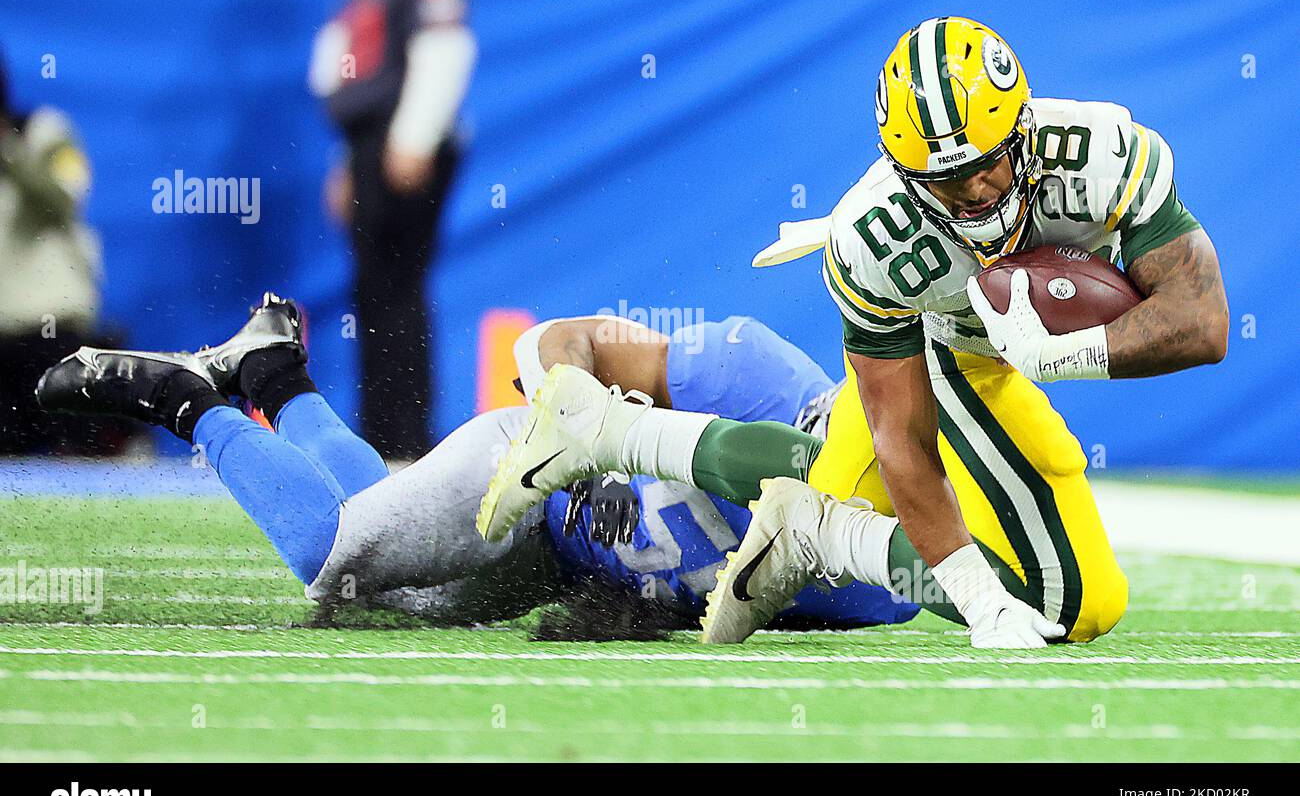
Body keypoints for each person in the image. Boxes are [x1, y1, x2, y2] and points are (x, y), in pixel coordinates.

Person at [479, 16, 1229, 650]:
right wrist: (976, 599)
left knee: (821, 480)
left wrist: (1063, 355)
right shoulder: (878, 240)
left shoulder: (1100, 155)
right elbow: (899, 433)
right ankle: (817, 532)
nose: (971, 193)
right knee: (1077, 604)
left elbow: (1204, 322)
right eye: (943, 180)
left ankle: (612, 433)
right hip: (951, 344)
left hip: (1017, 343)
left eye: (984, 167)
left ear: (1023, 131)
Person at [35, 296, 916, 635]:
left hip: (552, 569)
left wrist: (631, 612)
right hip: (526, 482)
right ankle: (188, 400)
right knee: (331, 562)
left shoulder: (878, 583)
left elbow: (734, 614)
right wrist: (596, 443)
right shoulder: (749, 368)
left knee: (368, 601)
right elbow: (555, 341)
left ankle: (273, 374)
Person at [309, 0, 476, 459]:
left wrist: (413, 136)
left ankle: (404, 440)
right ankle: (380, 436)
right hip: (372, 143)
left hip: (400, 140)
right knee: (376, 292)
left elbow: (445, 44)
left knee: (397, 291)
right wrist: (349, 159)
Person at [0, 49, 121, 455]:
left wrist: (10, 152)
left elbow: (69, 194)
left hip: (49, 332)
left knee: (70, 462)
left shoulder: (44, 132)